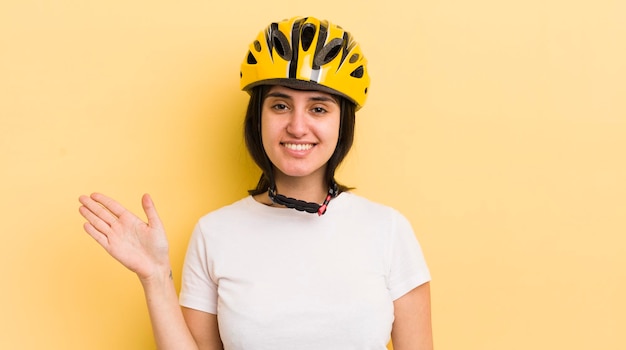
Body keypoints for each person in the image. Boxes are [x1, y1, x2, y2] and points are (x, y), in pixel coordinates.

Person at [78, 16, 432, 350]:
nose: (297, 126)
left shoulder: (388, 230)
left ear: (343, 123)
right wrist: (155, 276)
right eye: (280, 106)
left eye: (318, 109)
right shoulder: (214, 233)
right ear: (258, 118)